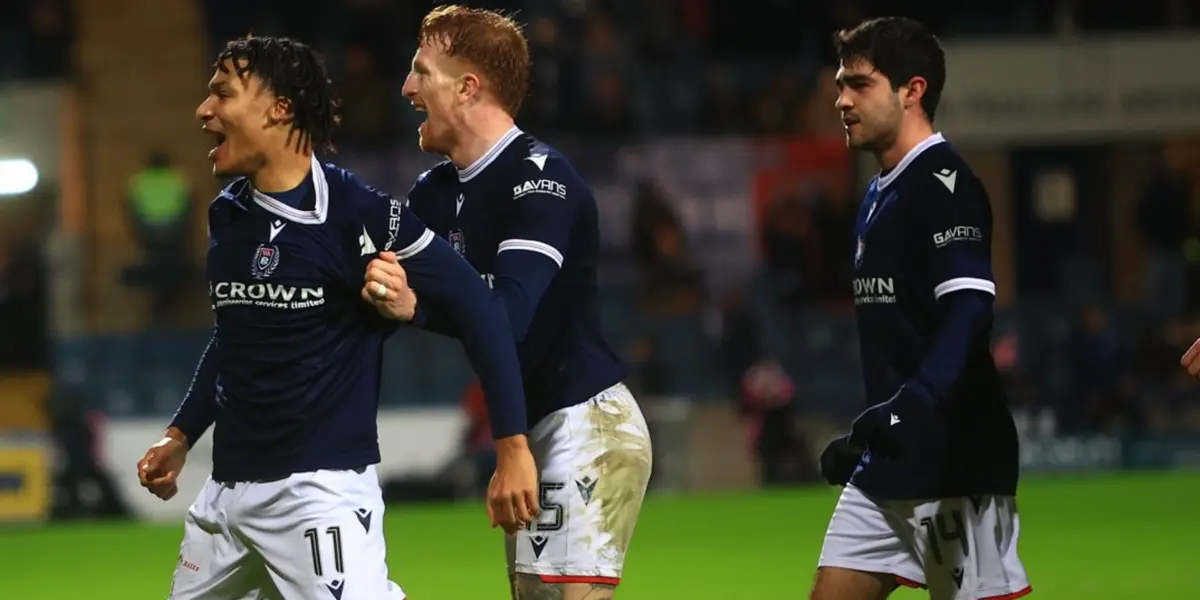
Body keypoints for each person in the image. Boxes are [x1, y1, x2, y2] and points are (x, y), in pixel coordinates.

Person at [135, 35, 537, 600]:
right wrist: (180, 435)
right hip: (223, 502)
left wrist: (512, 448)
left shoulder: (361, 215)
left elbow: (484, 313)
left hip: (315, 495)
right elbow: (235, 336)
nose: (204, 111)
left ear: (280, 108)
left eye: (222, 93)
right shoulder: (227, 216)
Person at [361, 6, 653, 600]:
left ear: (468, 87)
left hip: (585, 423)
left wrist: (418, 304)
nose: (407, 88)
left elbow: (510, 315)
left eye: (422, 72)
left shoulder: (539, 180)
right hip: (531, 426)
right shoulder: (436, 192)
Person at [812, 18, 1032, 600]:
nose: (841, 100)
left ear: (911, 91)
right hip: (891, 462)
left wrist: (911, 406)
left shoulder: (944, 186)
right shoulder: (881, 190)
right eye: (840, 84)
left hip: (957, 462)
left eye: (858, 85)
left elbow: (968, 311)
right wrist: (873, 436)